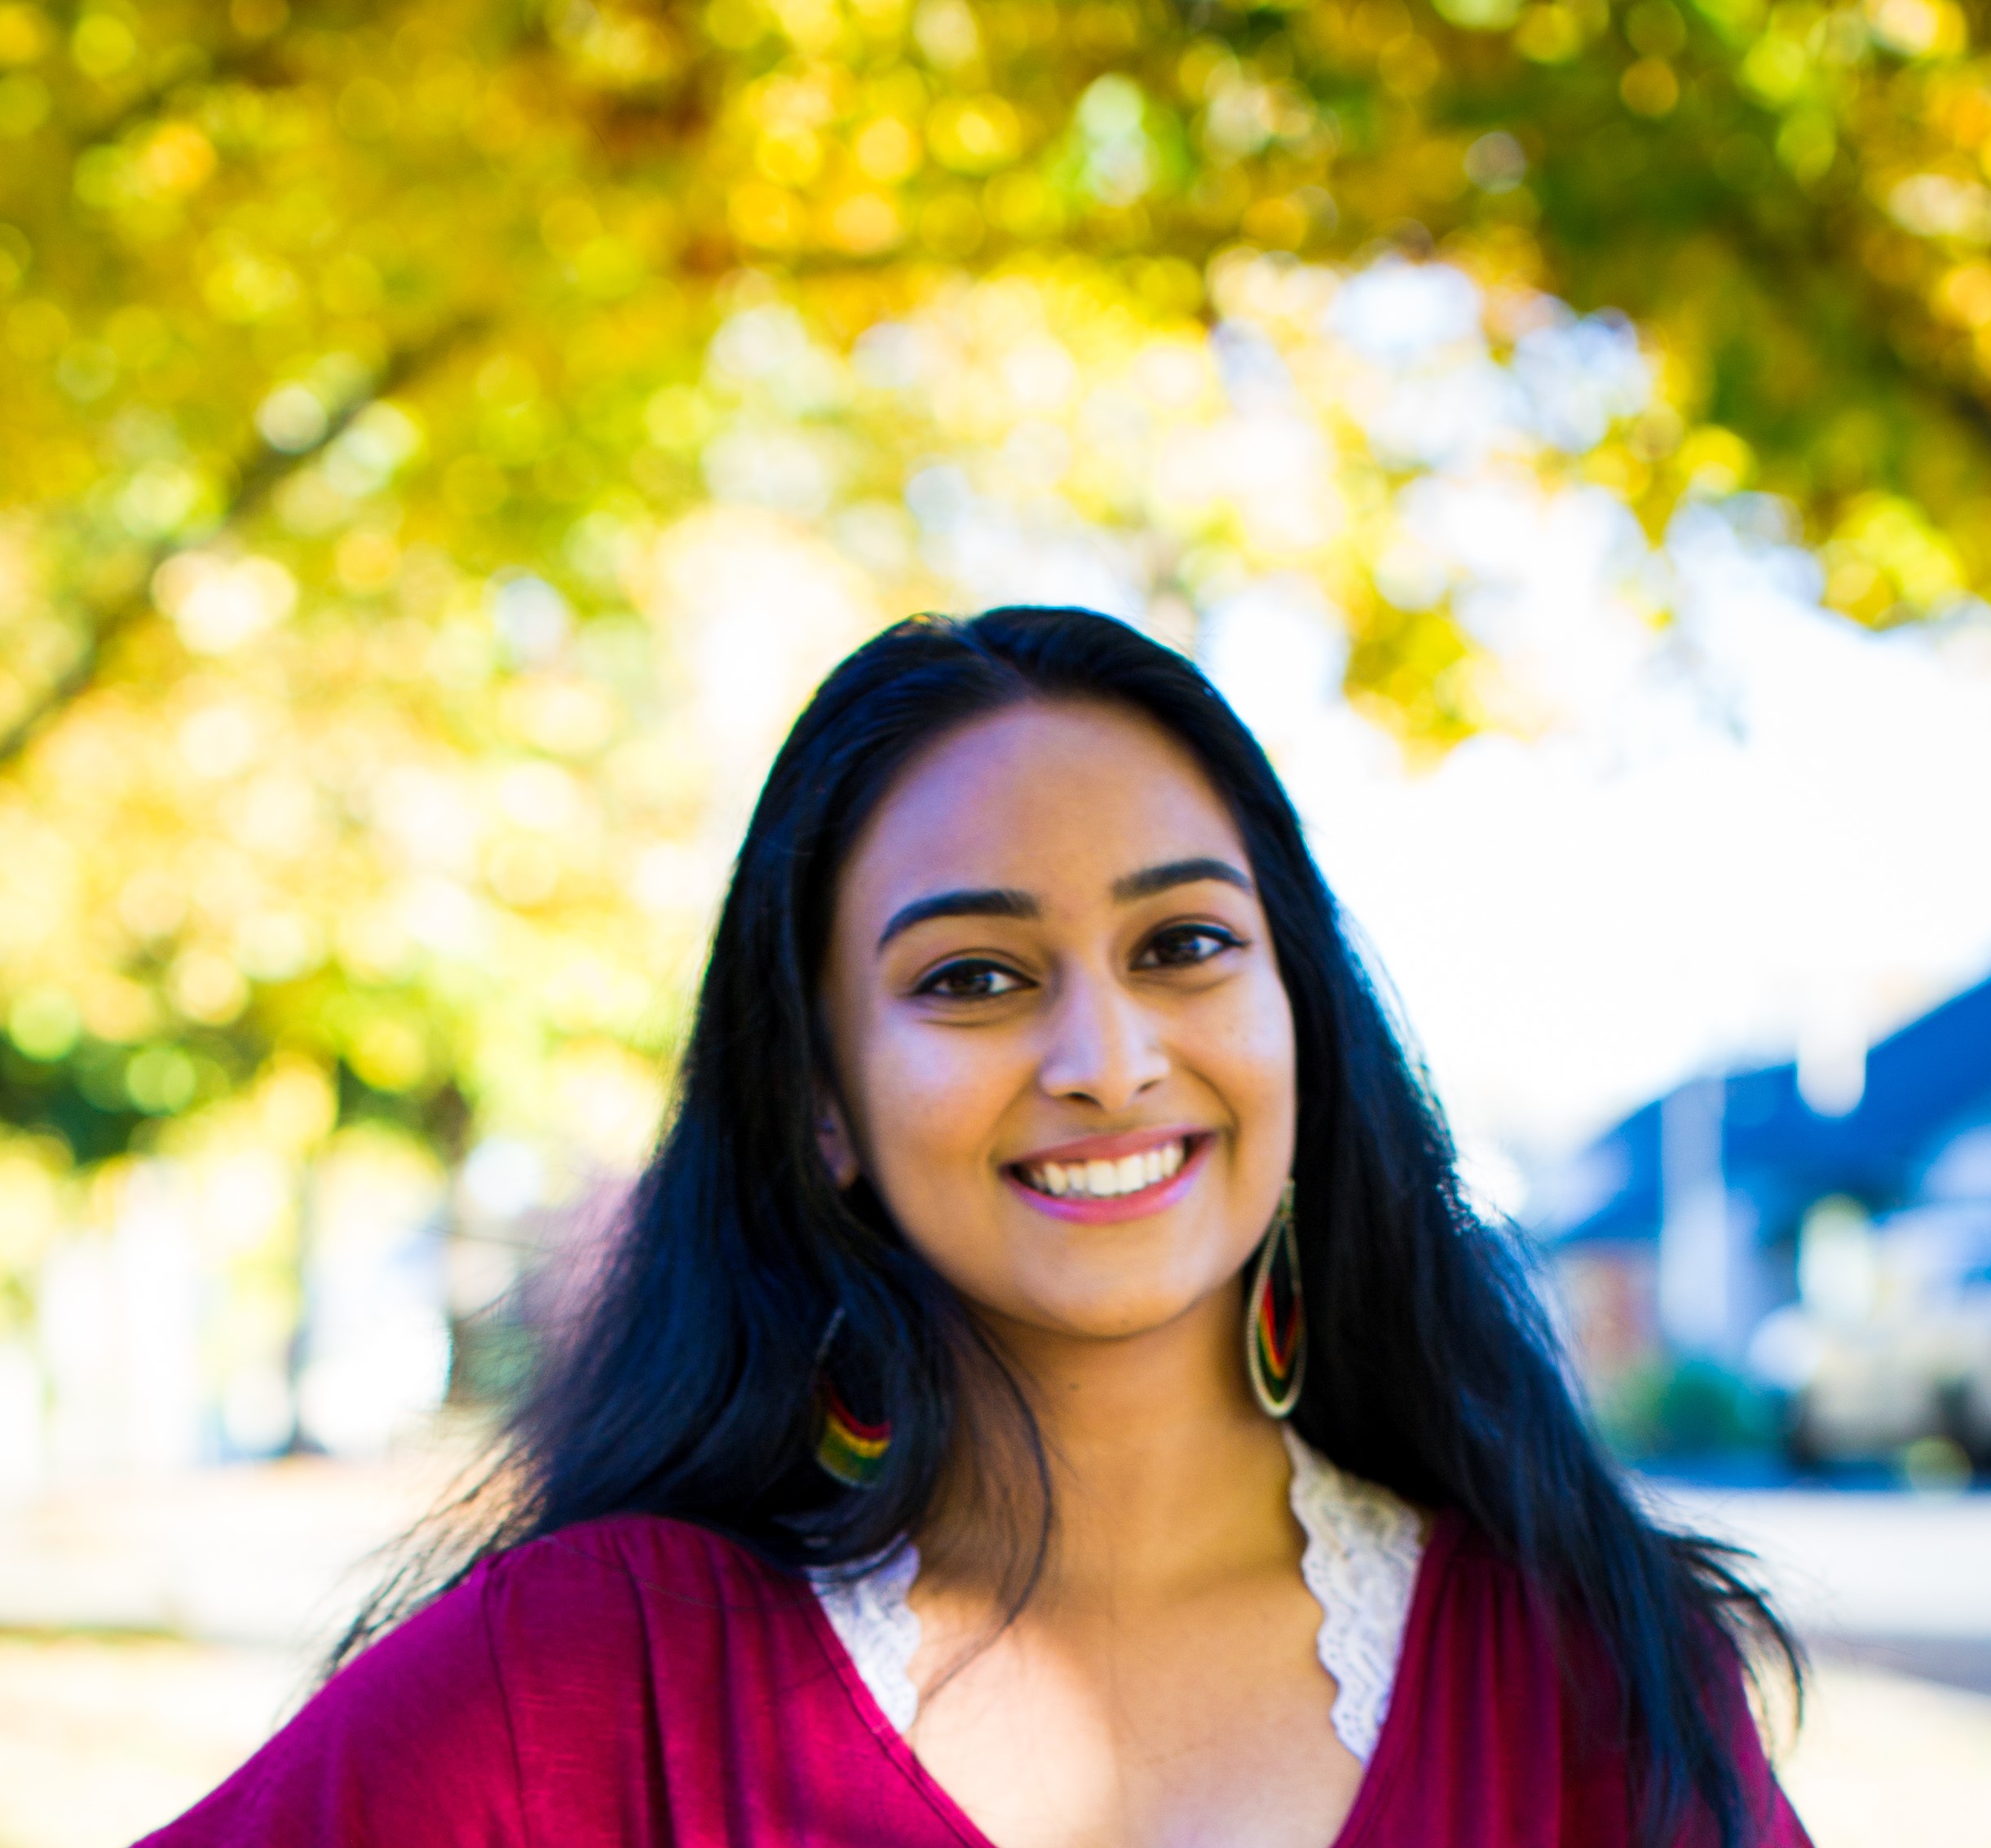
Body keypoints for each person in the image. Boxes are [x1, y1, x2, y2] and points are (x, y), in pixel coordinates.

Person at [143, 606, 1809, 1848]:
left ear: (1299, 1010)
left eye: (1184, 947)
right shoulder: (587, 1692)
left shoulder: (1594, 1679)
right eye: (973, 979)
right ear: (822, 1102)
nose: (1106, 1061)